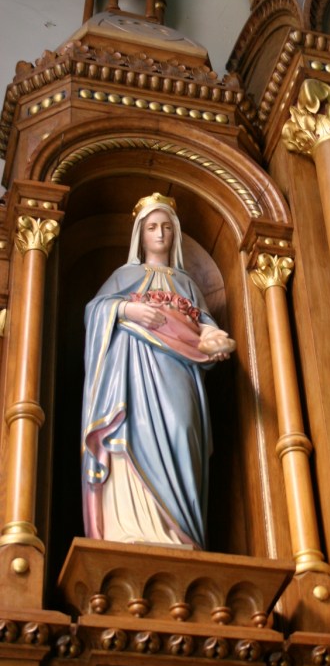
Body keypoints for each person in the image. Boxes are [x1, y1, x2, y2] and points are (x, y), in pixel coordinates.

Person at [81, 192, 235, 549]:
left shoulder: (189, 284)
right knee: (132, 433)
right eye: (152, 227)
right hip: (131, 371)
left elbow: (205, 324)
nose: (160, 234)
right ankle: (130, 528)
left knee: (182, 429)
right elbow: (94, 312)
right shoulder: (125, 275)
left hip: (179, 370)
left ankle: (181, 533)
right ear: (140, 234)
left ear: (175, 234)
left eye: (166, 227)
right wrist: (126, 311)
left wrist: (213, 337)